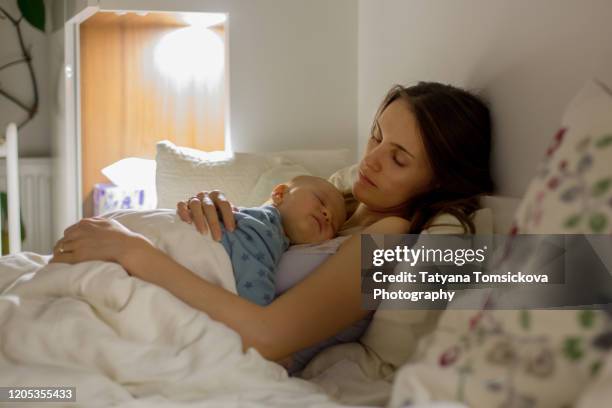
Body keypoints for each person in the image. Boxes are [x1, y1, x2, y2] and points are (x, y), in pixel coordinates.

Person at [51, 81, 494, 368]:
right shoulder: (333, 204)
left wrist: (133, 252)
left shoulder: (388, 241)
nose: (371, 160)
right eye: (376, 136)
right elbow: (252, 243)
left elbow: (269, 336)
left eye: (398, 158)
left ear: (438, 178)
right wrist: (216, 209)